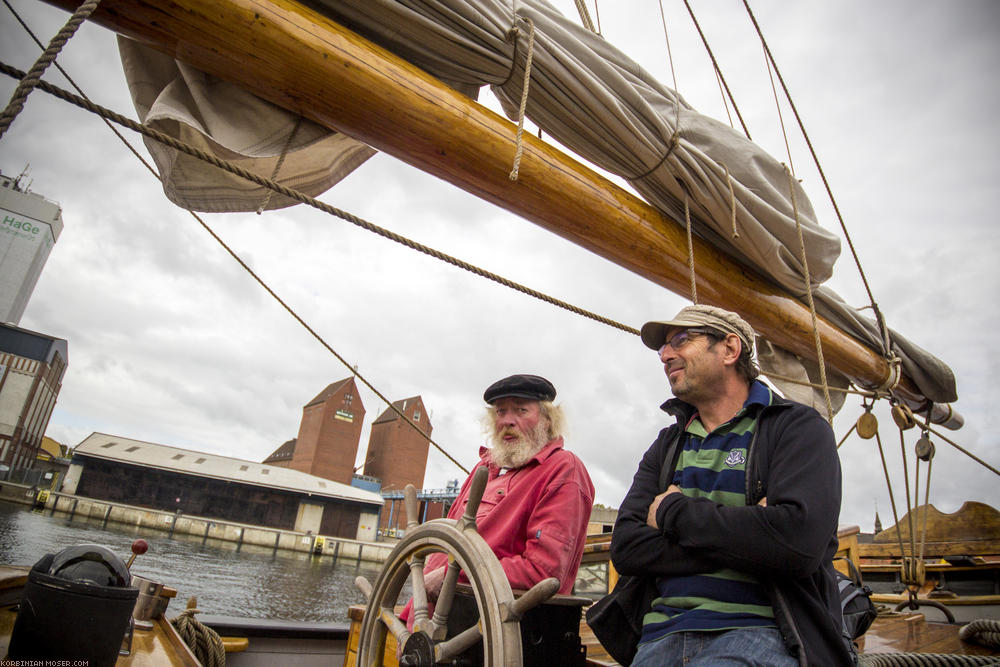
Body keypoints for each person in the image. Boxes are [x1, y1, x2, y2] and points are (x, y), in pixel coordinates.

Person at [608, 305, 852, 666]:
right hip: (659, 636)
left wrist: (673, 514)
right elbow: (627, 548)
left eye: (680, 340)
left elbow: (798, 545)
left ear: (730, 349)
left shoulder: (797, 428)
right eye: (663, 348)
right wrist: (754, 534)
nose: (666, 355)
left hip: (763, 633)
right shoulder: (668, 444)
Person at [402, 374, 595, 621]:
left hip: (489, 629)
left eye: (521, 410)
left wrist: (455, 574)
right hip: (423, 621)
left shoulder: (563, 470)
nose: (507, 421)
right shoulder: (484, 468)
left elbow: (542, 572)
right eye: (501, 412)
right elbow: (443, 545)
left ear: (547, 420)